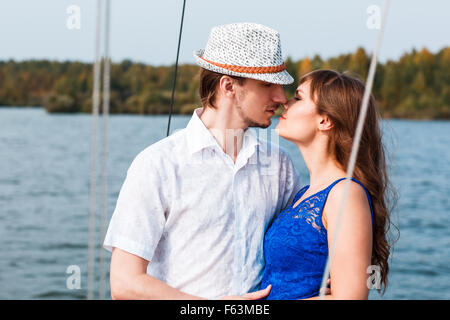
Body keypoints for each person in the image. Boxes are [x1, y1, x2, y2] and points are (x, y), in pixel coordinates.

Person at [103, 22, 302, 299]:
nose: (281, 98)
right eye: (268, 84)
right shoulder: (157, 165)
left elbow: (297, 248)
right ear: (229, 86)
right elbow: (124, 283)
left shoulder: (280, 166)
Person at [260, 69, 393, 299]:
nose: (285, 103)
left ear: (325, 120)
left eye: (298, 98)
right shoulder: (303, 193)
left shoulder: (345, 194)